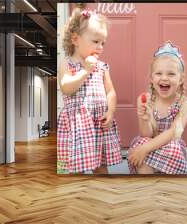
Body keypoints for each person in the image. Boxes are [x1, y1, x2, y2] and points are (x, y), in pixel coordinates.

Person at [57, 8, 122, 174]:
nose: (100, 47)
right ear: (75, 39)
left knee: (101, 166)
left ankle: (100, 193)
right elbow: (66, 87)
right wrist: (85, 70)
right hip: (79, 123)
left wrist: (111, 111)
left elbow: (111, 92)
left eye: (103, 43)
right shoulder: (67, 64)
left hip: (98, 122)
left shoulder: (101, 66)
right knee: (77, 166)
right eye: (95, 41)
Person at [128, 41, 187, 174]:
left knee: (173, 147)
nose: (164, 78)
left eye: (171, 74)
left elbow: (174, 132)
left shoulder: (184, 103)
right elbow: (146, 134)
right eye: (158, 74)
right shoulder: (145, 100)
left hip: (169, 146)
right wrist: (145, 119)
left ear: (181, 79)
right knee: (141, 142)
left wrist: (145, 149)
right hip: (150, 142)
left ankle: (168, 188)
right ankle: (148, 189)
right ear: (151, 78)